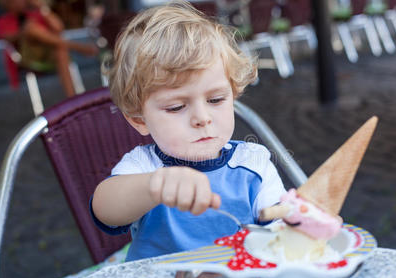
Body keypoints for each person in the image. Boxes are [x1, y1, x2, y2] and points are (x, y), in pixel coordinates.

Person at [91, 0, 286, 262]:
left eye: (216, 100)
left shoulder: (253, 163)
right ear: (139, 119)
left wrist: (300, 220)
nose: (202, 118)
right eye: (176, 107)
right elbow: (105, 210)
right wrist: (154, 187)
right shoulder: (145, 167)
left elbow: (280, 226)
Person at [0, 0, 98, 97]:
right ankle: (78, 47)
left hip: (48, 55)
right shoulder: (2, 21)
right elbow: (8, 38)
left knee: (60, 50)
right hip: (26, 58)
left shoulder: (33, 14)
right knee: (31, 29)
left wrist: (42, 8)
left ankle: (72, 98)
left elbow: (59, 27)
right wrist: (25, 31)